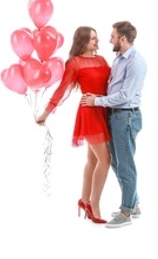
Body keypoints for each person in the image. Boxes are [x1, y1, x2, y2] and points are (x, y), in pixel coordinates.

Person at [35, 26, 112, 225]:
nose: (97, 41)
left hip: (103, 109)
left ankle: (84, 200)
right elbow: (62, 90)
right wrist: (45, 113)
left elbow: (111, 84)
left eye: (97, 38)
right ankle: (94, 204)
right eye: (92, 39)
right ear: (83, 41)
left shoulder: (102, 60)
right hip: (90, 113)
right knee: (105, 158)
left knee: (93, 160)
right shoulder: (75, 63)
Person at [81, 21, 146, 228]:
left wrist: (97, 101)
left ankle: (126, 212)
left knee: (125, 165)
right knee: (116, 163)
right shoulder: (119, 59)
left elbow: (125, 95)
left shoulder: (136, 62)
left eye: (112, 36)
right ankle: (133, 205)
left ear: (123, 39)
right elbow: (112, 88)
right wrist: (98, 97)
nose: (109, 39)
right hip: (114, 116)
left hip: (125, 117)